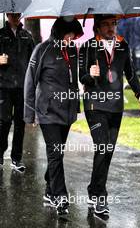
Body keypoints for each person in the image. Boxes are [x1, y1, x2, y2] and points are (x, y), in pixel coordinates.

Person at [79, 14, 140, 218]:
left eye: (114, 24)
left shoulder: (122, 45)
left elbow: (131, 72)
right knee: (102, 147)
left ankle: (93, 189)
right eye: (106, 25)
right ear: (97, 27)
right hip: (95, 105)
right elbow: (82, 76)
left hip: (115, 106)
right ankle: (100, 197)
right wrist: (90, 75)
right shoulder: (88, 47)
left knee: (107, 151)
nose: (111, 28)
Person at [24, 17, 83, 215]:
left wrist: (76, 105)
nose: (71, 39)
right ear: (59, 33)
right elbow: (30, 82)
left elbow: (73, 81)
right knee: (55, 153)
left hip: (66, 112)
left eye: (74, 36)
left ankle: (49, 191)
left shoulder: (73, 50)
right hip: (47, 112)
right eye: (69, 35)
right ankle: (61, 197)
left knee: (57, 154)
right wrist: (29, 114)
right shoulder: (42, 50)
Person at [0, 13, 34, 172]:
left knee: (20, 124)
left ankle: (16, 158)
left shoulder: (27, 36)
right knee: (4, 122)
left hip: (22, 87)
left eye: (18, 14)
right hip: (3, 87)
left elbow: (34, 60)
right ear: (7, 15)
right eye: (12, 14)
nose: (15, 17)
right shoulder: (0, 35)